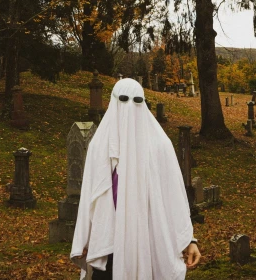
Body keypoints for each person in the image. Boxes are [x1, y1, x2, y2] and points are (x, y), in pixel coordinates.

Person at [71, 78, 201, 279]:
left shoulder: (160, 146)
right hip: (109, 249)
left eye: (137, 101)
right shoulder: (99, 147)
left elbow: (174, 197)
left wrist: (190, 240)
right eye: (124, 100)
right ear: (114, 102)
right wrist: (84, 239)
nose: (130, 108)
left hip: (150, 244)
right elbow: (90, 196)